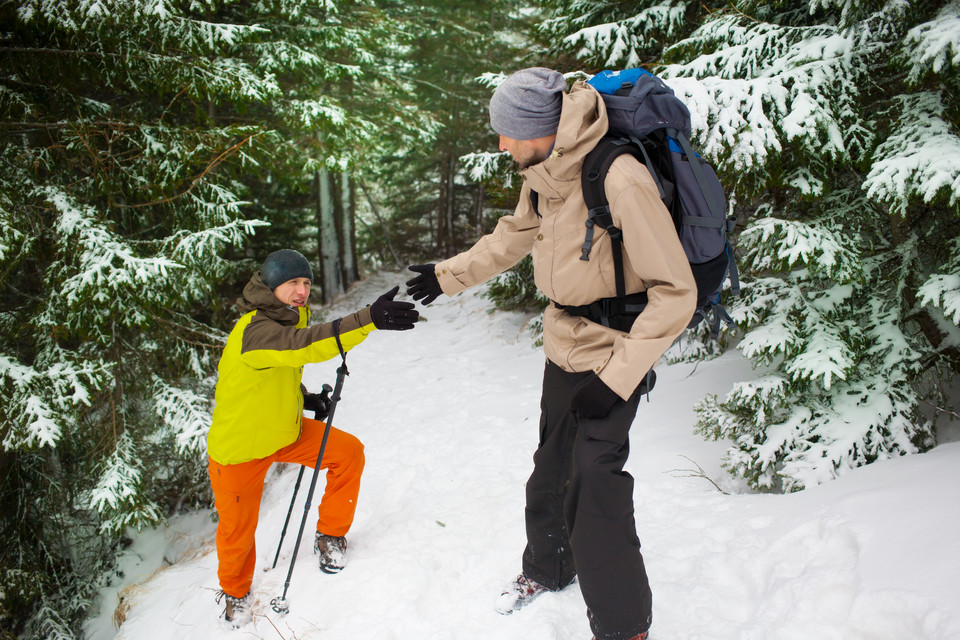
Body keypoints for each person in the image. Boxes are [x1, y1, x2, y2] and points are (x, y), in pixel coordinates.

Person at [406, 68, 696, 640]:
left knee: (594, 483)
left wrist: (616, 380)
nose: (501, 144)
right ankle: (547, 569)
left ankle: (623, 627)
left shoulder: (620, 179)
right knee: (549, 471)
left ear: (539, 127)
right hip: (563, 344)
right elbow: (513, 235)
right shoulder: (544, 173)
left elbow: (675, 293)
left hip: (616, 351)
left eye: (506, 133)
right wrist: (446, 277)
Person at [208, 249, 418, 626]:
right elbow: (303, 345)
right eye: (293, 283)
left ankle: (330, 536)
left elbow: (274, 371)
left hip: (283, 431)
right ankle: (236, 594)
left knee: (348, 453)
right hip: (239, 451)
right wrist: (367, 319)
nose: (302, 290)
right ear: (271, 286)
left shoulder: (286, 314)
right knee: (238, 533)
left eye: (306, 282)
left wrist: (304, 398)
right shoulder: (255, 330)